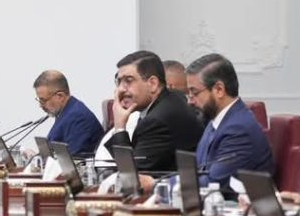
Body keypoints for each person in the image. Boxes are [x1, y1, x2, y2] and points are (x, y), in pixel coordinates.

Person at [105, 50, 203, 172]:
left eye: (128, 81)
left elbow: (131, 175)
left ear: (153, 84)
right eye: (119, 82)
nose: (120, 89)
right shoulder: (172, 98)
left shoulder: (157, 121)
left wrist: (119, 127)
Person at [186, 53, 273, 186]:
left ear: (219, 90)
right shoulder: (214, 122)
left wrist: (164, 184)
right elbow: (197, 172)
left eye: (195, 92)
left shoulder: (239, 130)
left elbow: (213, 183)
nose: (190, 101)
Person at [33, 70, 104, 157]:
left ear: (60, 96)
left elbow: (73, 159)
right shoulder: (66, 112)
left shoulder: (78, 117)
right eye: (39, 100)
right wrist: (36, 156)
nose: (41, 105)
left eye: (43, 100)